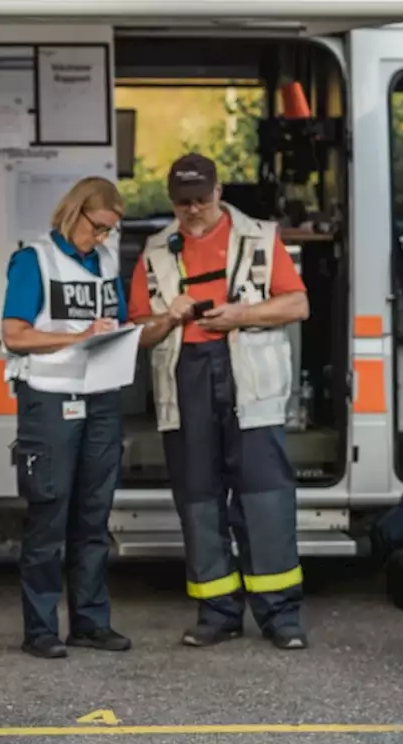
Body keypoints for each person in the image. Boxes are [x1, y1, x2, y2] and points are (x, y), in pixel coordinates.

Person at [133, 152, 310, 650]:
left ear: (219, 192)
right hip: (185, 378)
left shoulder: (259, 236)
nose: (192, 210)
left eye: (200, 199)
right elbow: (139, 334)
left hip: (248, 380)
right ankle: (217, 612)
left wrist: (239, 314)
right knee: (199, 499)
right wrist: (169, 317)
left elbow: (298, 304)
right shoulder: (156, 250)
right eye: (182, 201)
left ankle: (281, 616)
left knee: (265, 498)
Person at [1, 177, 150, 660]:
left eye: (110, 230)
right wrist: (77, 336)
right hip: (48, 396)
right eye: (99, 227)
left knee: (94, 513)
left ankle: (90, 622)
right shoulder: (35, 259)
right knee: (48, 513)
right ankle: (40, 629)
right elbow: (15, 335)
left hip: (101, 394)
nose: (103, 238)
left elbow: (119, 319)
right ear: (75, 212)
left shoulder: (106, 260)